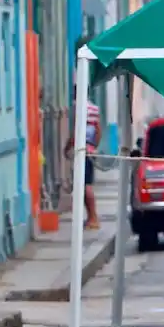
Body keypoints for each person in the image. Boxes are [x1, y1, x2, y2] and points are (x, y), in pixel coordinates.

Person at [65, 92, 101, 230]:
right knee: (87, 184)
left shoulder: (79, 108)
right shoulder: (94, 108)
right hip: (90, 150)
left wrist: (67, 147)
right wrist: (94, 147)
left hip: (82, 151)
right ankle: (91, 217)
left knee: (85, 186)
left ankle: (93, 218)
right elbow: (98, 130)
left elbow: (77, 132)